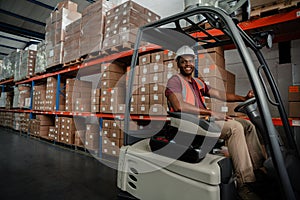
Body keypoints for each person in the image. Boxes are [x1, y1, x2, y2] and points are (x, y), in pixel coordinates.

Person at [165, 45, 267, 200]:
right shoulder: (174, 81)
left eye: (190, 61)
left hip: (203, 121)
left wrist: (243, 98)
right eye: (184, 61)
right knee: (234, 128)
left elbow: (219, 94)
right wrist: (212, 113)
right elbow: (179, 106)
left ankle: (258, 168)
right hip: (189, 123)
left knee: (248, 125)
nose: (187, 64)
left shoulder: (197, 82)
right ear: (178, 63)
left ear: (194, 62)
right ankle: (245, 184)